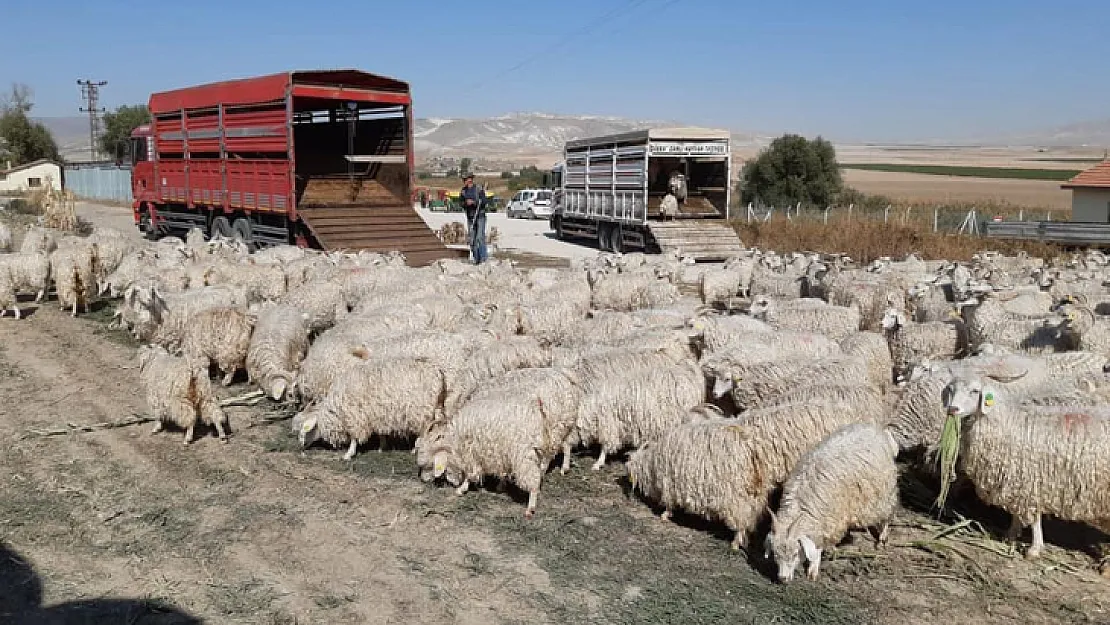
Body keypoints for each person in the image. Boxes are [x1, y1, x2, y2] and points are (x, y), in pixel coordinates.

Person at [460, 173, 488, 264]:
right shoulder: (463, 191)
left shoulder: (478, 189)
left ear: (471, 179)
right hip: (470, 218)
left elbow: (484, 202)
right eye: (464, 180)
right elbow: (461, 203)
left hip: (480, 216)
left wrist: (474, 202)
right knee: (472, 240)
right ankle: (477, 259)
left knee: (479, 237)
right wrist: (466, 203)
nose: (465, 181)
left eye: (466, 179)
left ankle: (483, 258)